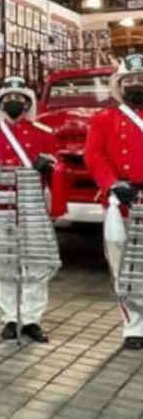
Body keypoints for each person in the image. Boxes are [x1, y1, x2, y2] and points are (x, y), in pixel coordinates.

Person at [0, 76, 65, 343]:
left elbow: (58, 170)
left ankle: (32, 319)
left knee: (35, 264)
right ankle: (9, 317)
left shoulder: (42, 134)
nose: (14, 103)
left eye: (19, 99)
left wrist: (48, 168)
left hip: (32, 207)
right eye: (9, 99)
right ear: (1, 103)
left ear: (28, 103)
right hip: (1, 207)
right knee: (5, 263)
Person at [85, 53, 143, 351]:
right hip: (121, 201)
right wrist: (112, 184)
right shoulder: (104, 119)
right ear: (119, 85)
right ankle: (133, 325)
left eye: (140, 79)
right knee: (123, 267)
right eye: (129, 80)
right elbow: (94, 156)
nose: (135, 84)